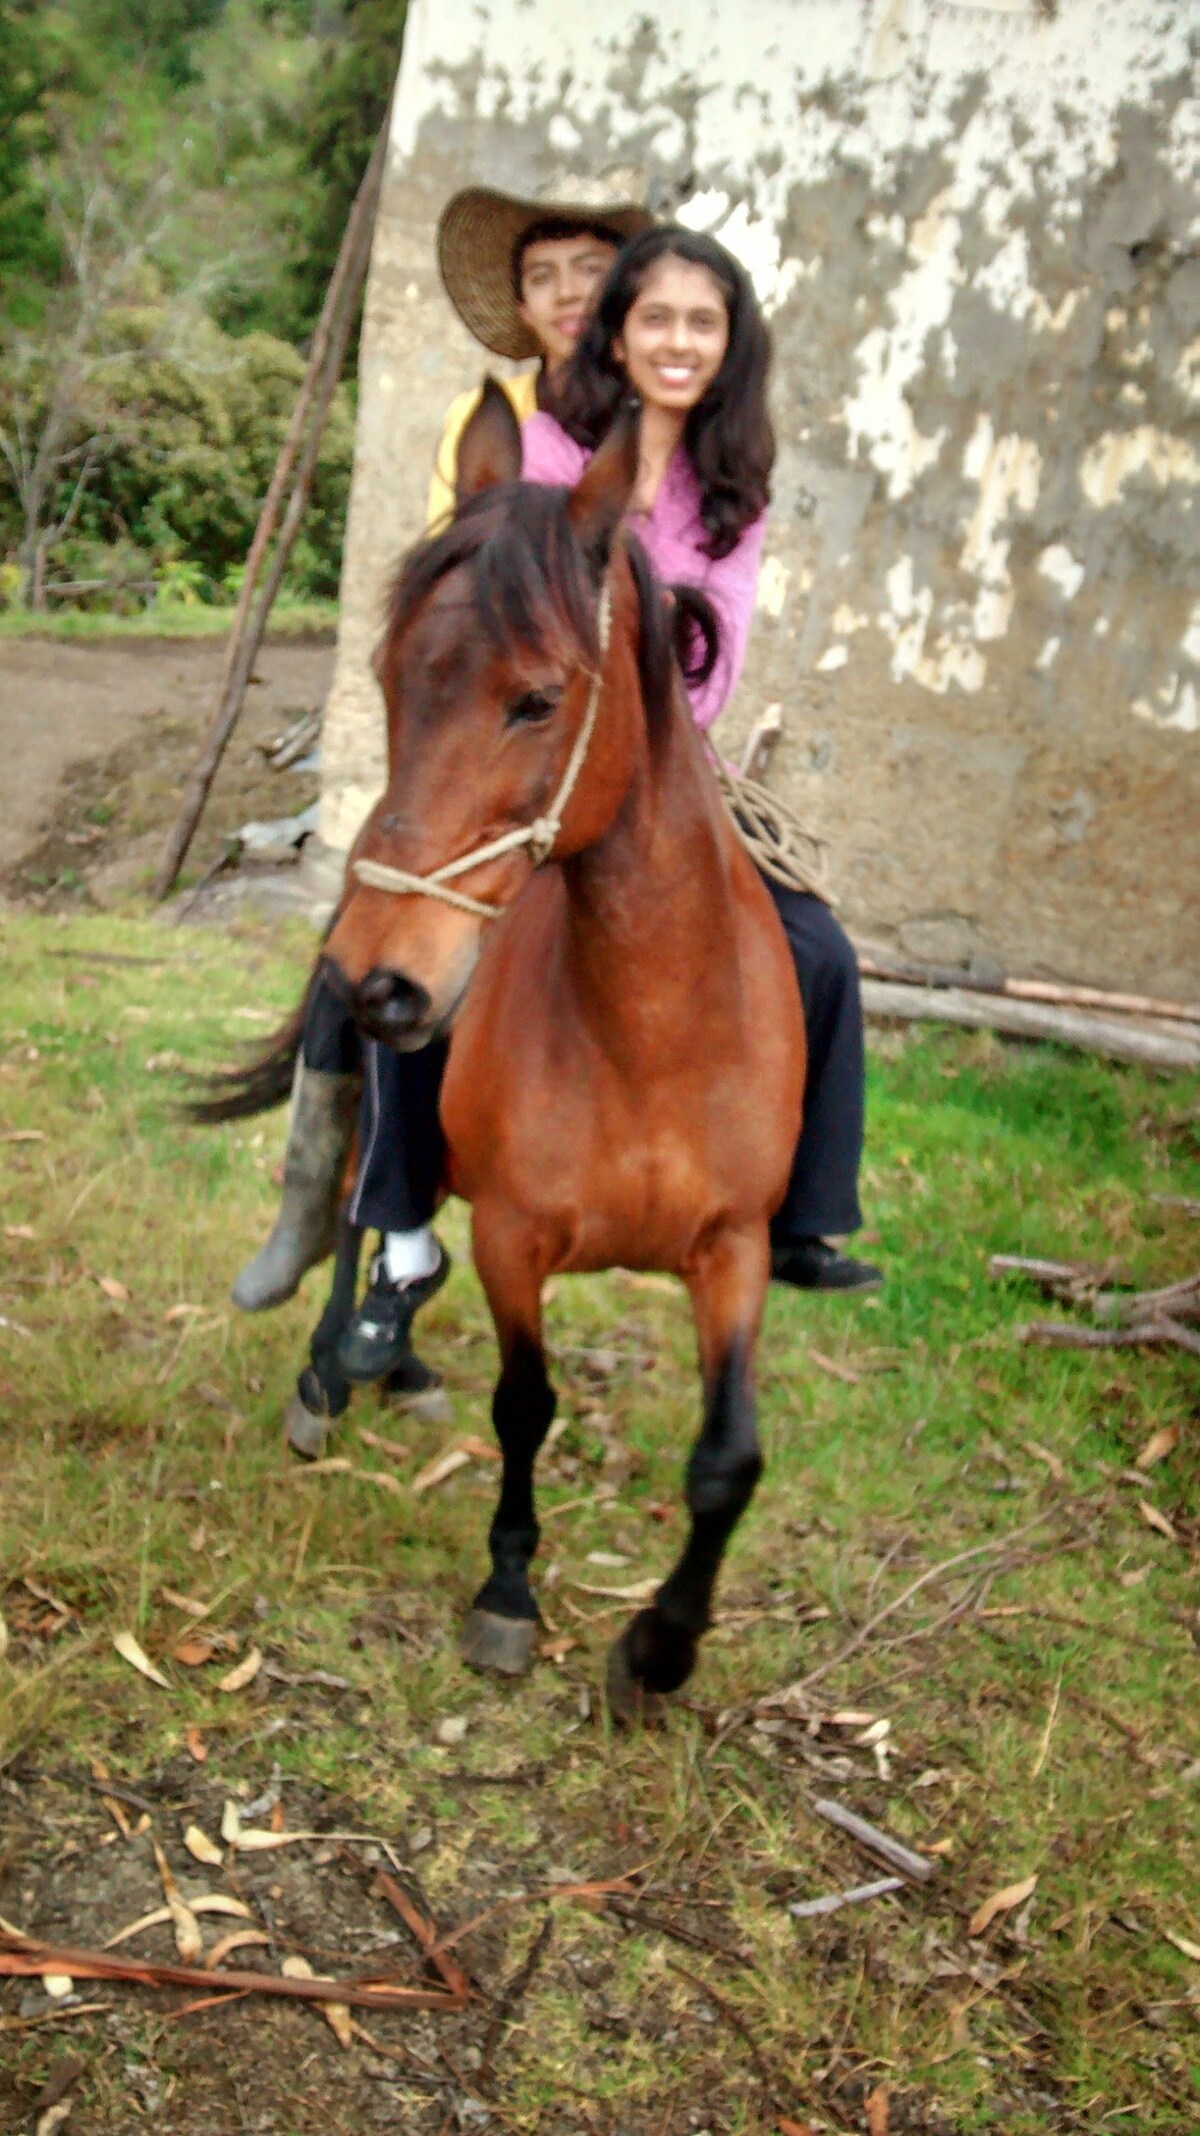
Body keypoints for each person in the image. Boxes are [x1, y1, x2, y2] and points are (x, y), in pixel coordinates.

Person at [335, 222, 880, 1383]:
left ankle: (801, 1212)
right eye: (656, 320)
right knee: (411, 945)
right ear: (617, 333)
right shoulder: (542, 446)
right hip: (536, 762)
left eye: (703, 323)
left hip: (674, 770)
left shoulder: (735, 488)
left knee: (821, 951)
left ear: (731, 346)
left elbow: (716, 656)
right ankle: (399, 1226)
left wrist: (639, 637)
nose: (677, 342)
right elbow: (486, 612)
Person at [232, 180, 651, 1320]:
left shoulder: (672, 411)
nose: (568, 294)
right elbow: (451, 577)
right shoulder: (496, 420)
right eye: (542, 276)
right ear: (517, 303)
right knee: (364, 933)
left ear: (627, 290)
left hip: (633, 736)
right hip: (498, 720)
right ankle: (323, 1198)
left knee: (794, 939)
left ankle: (774, 1192)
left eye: (589, 270)